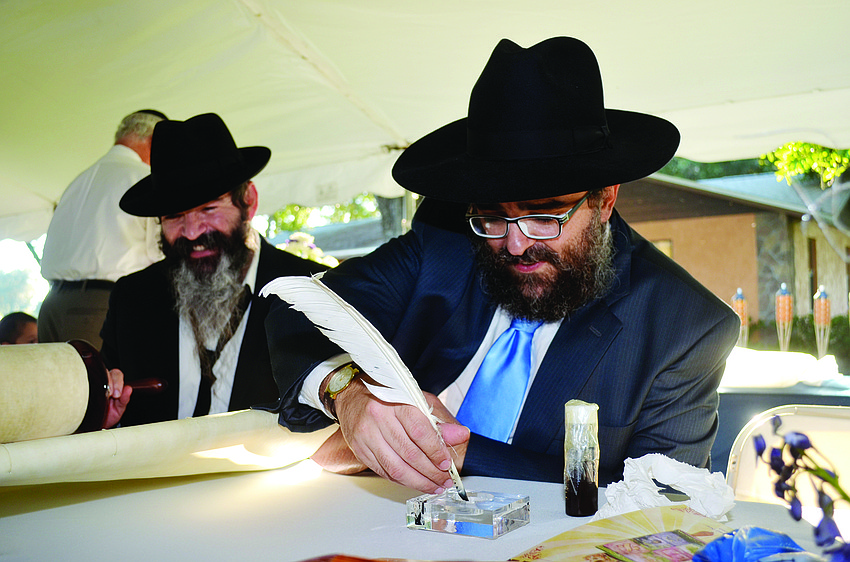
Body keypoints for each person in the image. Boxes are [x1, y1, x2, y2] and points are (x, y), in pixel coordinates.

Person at [265, 37, 740, 494]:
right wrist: (348, 392)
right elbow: (299, 310)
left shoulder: (685, 326)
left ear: (605, 198)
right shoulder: (445, 242)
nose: (514, 244)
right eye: (492, 215)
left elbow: (662, 501)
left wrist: (465, 453)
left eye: (544, 214)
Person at [100, 113, 328, 428]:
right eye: (174, 216)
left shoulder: (314, 291)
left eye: (209, 208)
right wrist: (104, 414)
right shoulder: (132, 299)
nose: (192, 232)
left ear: (249, 200)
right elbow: (106, 404)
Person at [39, 110, 168, 349]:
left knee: (63, 386)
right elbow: (160, 252)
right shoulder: (141, 179)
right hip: (97, 307)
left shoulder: (80, 180)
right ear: (153, 141)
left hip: (52, 306)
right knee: (100, 385)